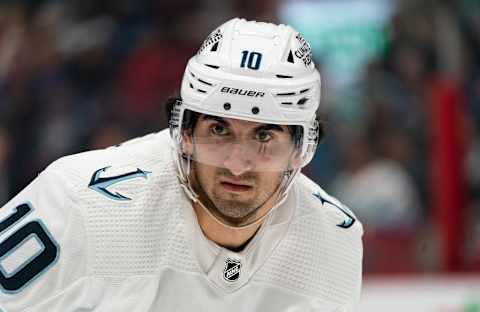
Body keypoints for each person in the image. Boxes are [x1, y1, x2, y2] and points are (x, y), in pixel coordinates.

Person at [0, 18, 363, 311]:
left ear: (302, 149)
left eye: (264, 136)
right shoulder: (79, 204)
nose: (238, 164)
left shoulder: (332, 242)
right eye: (219, 130)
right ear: (184, 133)